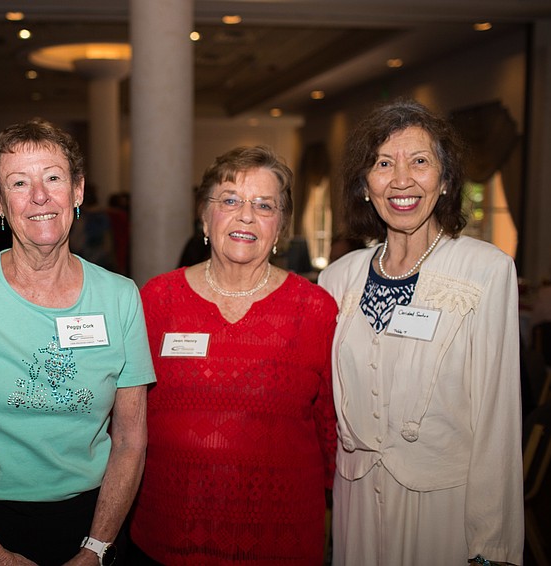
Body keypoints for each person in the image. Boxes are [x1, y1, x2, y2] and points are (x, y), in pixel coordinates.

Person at [0, 118, 155, 566]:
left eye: (53, 178)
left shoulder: (121, 297)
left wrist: (96, 548)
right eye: (19, 182)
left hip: (92, 519)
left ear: (78, 191)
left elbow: (130, 441)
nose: (39, 196)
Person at [317, 99, 523, 565]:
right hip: (355, 500)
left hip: (443, 504)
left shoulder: (485, 271)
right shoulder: (338, 278)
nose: (401, 179)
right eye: (383, 163)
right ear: (365, 185)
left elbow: (498, 415)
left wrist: (491, 541)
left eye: (420, 161)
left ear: (446, 181)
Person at [129, 145, 338, 565]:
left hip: (277, 536)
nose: (246, 215)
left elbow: (330, 426)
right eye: (230, 200)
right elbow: (129, 418)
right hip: (168, 529)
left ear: (280, 227)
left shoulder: (315, 309)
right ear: (204, 217)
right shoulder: (157, 298)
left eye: (265, 205)